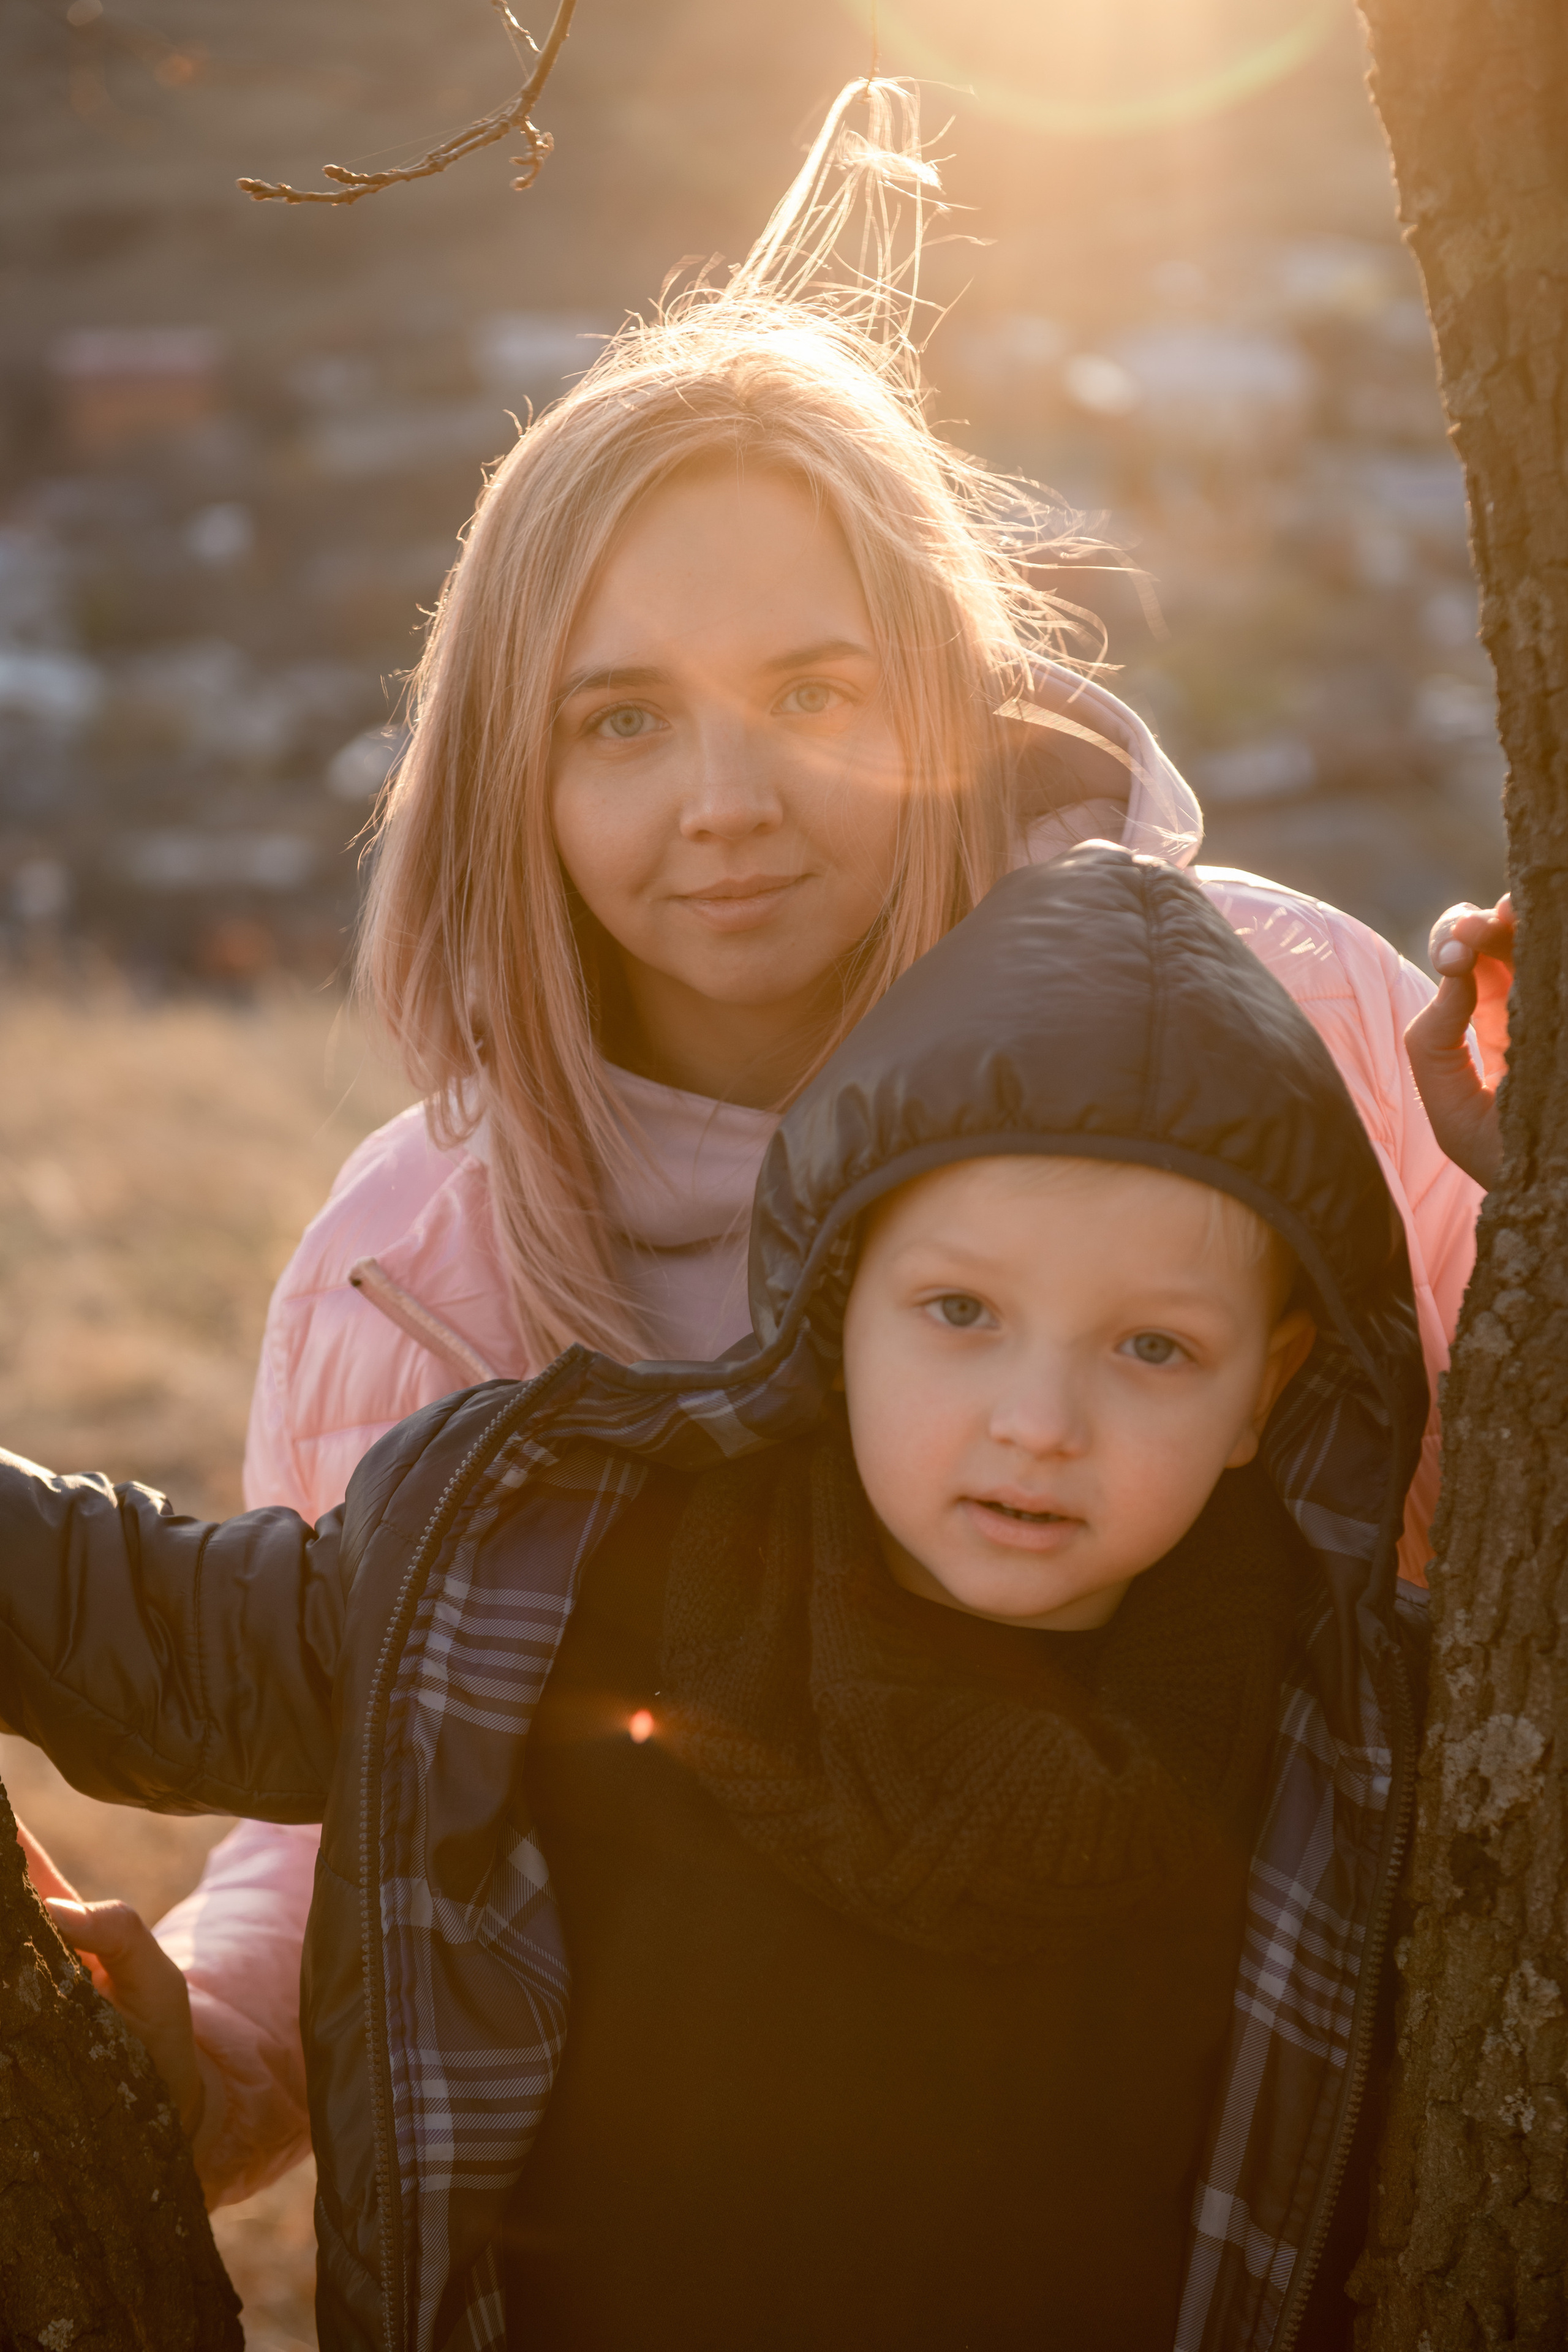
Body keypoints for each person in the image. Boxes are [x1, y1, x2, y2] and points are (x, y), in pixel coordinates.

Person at [23, 78, 1482, 2210]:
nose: (726, 798)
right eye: (623, 719)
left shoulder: (1278, 1026)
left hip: (1225, 2189)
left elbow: (1488, 1541)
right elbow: (343, 1760)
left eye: (814, 692)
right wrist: (211, 2059)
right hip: (696, 2211)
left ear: (946, 688)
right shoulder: (424, 1244)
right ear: (509, 770)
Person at [0, 846, 1428, 2351]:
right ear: (835, 1299)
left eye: (1151, 1350)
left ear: (1266, 1389)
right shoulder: (549, 1556)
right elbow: (163, 1634)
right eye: (959, 1314)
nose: (1037, 1419)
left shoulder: (1353, 1748)